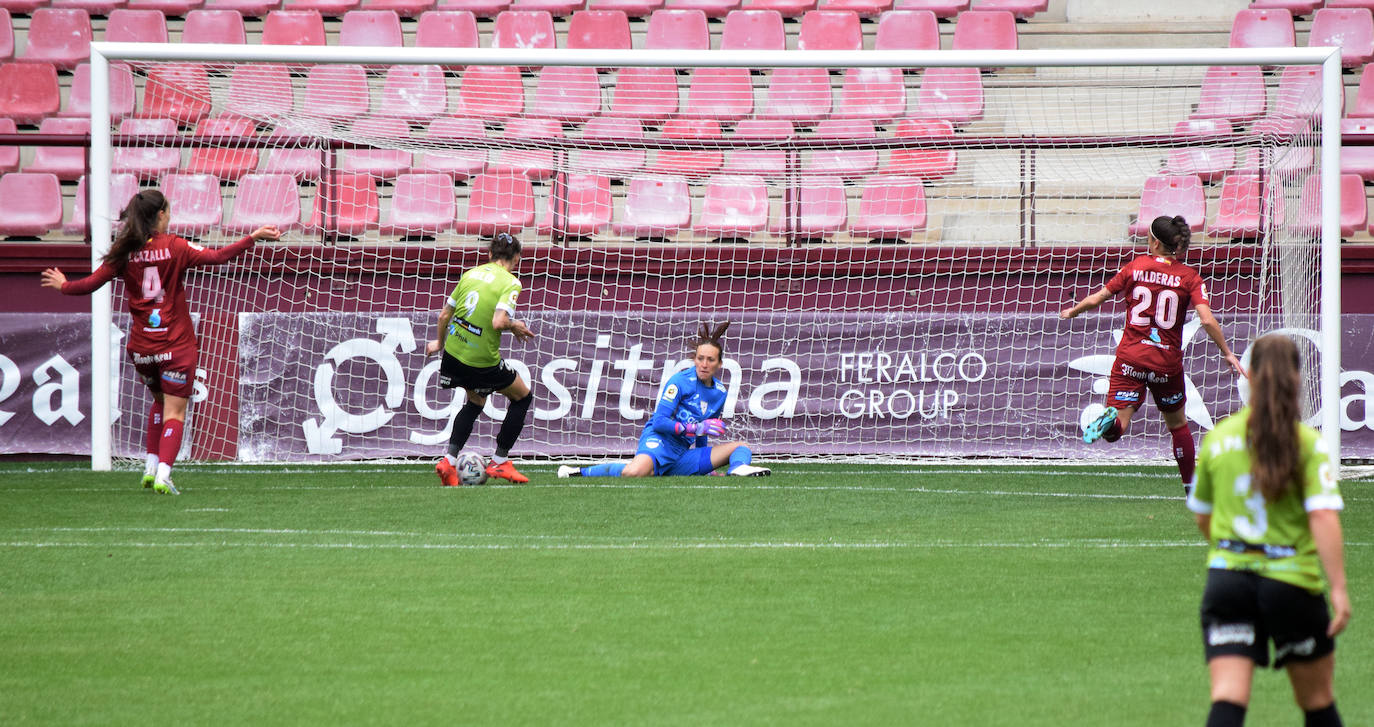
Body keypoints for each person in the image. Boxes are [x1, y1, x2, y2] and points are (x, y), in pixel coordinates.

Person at [40, 189, 281, 494]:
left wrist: (64, 285)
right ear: (162, 215)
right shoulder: (176, 247)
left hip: (141, 350)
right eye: (169, 211)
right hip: (176, 346)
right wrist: (252, 237)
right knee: (175, 412)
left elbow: (90, 284)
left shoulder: (124, 250)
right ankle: (165, 474)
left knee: (159, 401)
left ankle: (151, 467)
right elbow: (218, 257)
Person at [1187, 334, 1349, 727]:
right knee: (1317, 701)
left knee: (1228, 698)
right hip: (1291, 585)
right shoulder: (1308, 444)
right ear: (1297, 379)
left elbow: (1203, 517)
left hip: (1229, 582)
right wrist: (1340, 589)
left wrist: (1236, 552)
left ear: (1250, 377)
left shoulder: (1219, 439)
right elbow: (1324, 517)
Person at [1060, 215, 1246, 495]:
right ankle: (1191, 487)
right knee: (1178, 425)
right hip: (1165, 364)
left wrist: (1072, 311)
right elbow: (1206, 320)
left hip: (1130, 359)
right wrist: (1228, 352)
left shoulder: (1136, 267)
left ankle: (1109, 422)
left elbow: (1098, 297)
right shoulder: (1189, 278)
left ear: (1155, 242)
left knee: (1118, 426)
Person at [558, 322, 770, 479]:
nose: (704, 364)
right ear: (694, 359)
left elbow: (705, 432)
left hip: (682, 455)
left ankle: (737, 468)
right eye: (700, 358)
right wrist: (694, 428)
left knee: (741, 446)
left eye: (710, 360)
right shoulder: (680, 381)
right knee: (635, 473)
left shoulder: (720, 392)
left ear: (720, 364)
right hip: (660, 442)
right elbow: (659, 422)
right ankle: (578, 472)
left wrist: (708, 468)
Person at [426, 232, 535, 486]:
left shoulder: (470, 274)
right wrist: (515, 325)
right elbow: (498, 321)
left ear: (489, 255)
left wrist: (439, 344)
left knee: (475, 400)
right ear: (516, 258)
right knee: (522, 396)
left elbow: (444, 316)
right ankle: (500, 461)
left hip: (453, 352)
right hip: (481, 359)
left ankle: (449, 461)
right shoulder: (511, 282)